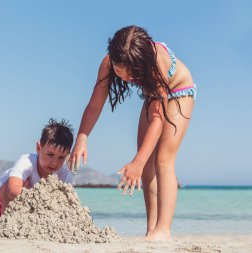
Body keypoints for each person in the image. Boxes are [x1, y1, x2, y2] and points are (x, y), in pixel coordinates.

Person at [68, 25, 196, 241]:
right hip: (155, 98)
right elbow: (95, 104)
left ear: (142, 62)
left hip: (179, 92)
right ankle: (151, 230)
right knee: (145, 161)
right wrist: (82, 137)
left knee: (163, 159)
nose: (126, 77)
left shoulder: (156, 64)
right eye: (120, 70)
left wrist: (136, 162)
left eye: (132, 72)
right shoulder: (109, 61)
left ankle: (163, 230)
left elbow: (158, 120)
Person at [0, 118, 75, 218]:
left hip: (33, 207)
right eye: (50, 154)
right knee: (11, 184)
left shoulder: (64, 173)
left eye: (61, 158)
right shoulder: (27, 161)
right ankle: (5, 221)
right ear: (38, 148)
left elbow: (70, 200)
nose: (54, 163)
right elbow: (12, 191)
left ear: (67, 155)